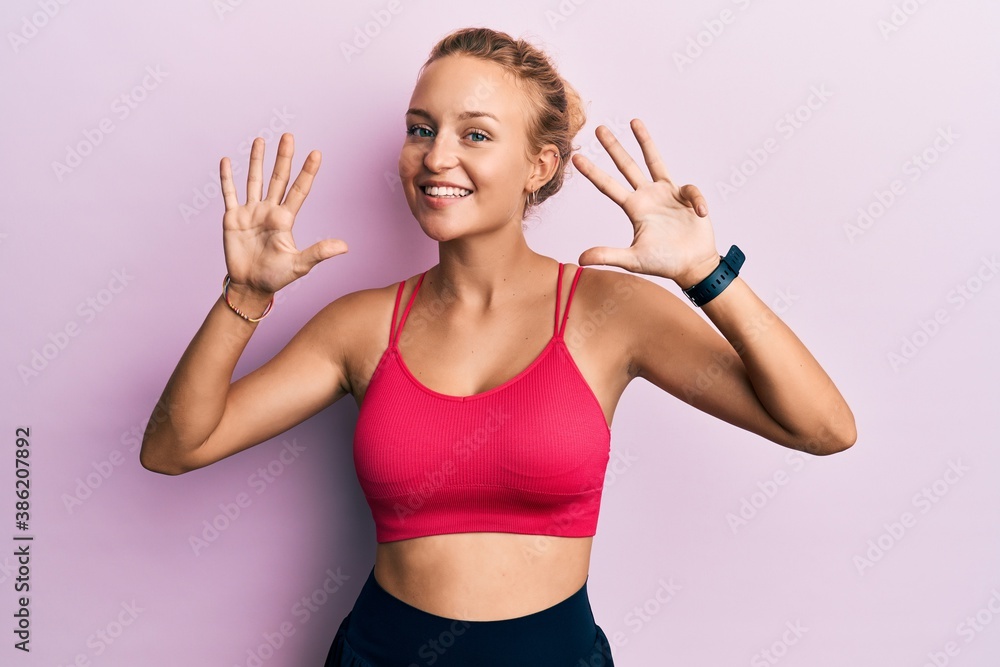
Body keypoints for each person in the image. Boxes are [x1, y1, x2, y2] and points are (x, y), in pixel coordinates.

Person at [140, 25, 856, 666]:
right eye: (422, 129)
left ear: (539, 167)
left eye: (475, 134)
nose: (436, 156)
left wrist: (705, 274)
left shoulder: (610, 310)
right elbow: (175, 447)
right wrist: (247, 299)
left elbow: (822, 427)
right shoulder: (359, 326)